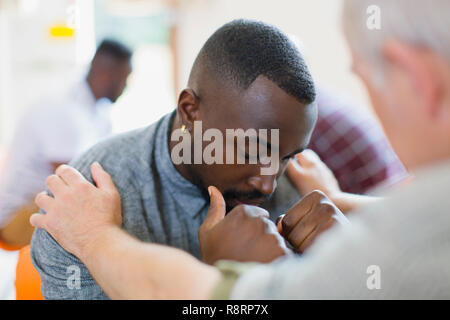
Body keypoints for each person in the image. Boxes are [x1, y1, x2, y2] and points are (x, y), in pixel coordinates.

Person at [32, 0, 450, 299]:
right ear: (190, 109)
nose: (269, 181)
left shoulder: (304, 193)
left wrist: (339, 259)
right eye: (252, 150)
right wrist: (227, 286)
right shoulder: (81, 209)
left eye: (286, 156)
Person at [0, 39, 132, 248]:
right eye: (125, 78)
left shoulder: (98, 112)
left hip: (44, 202)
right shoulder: (62, 108)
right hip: (17, 217)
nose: (126, 86)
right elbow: (71, 180)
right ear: (106, 72)